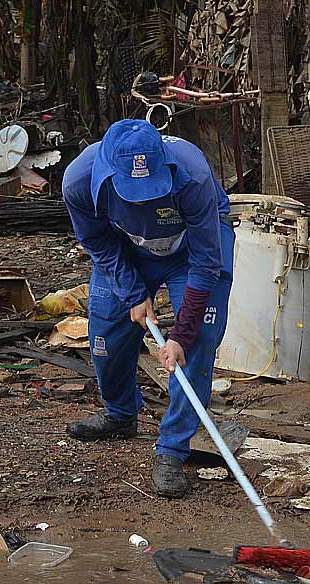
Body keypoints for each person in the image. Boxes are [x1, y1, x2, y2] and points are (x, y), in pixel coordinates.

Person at [62, 119, 235, 497]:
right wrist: (132, 290)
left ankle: (173, 449)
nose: (142, 199)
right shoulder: (79, 181)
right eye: (131, 190)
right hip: (129, 248)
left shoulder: (192, 175)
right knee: (106, 336)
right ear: (108, 172)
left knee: (198, 342)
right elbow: (95, 239)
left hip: (192, 251)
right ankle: (120, 414)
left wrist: (180, 335)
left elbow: (207, 264)